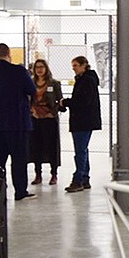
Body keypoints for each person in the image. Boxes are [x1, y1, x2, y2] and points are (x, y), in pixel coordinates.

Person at [0, 43, 36, 201]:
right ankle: (20, 191)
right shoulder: (19, 71)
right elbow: (32, 90)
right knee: (19, 159)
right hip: (17, 122)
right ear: (9, 53)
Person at [60, 55, 102, 192]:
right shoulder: (85, 80)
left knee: (80, 151)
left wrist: (66, 102)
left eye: (76, 66)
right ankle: (84, 178)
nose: (73, 69)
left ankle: (78, 180)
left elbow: (83, 101)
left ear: (84, 65)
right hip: (83, 120)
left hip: (83, 121)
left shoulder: (86, 80)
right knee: (83, 150)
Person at [28, 58, 63, 186]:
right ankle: (38, 174)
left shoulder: (54, 84)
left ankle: (54, 174)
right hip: (35, 119)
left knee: (51, 146)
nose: (39, 69)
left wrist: (52, 113)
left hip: (49, 119)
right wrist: (32, 111)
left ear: (46, 68)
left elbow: (60, 101)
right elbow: (28, 100)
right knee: (36, 146)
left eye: (42, 67)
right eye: (37, 67)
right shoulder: (30, 83)